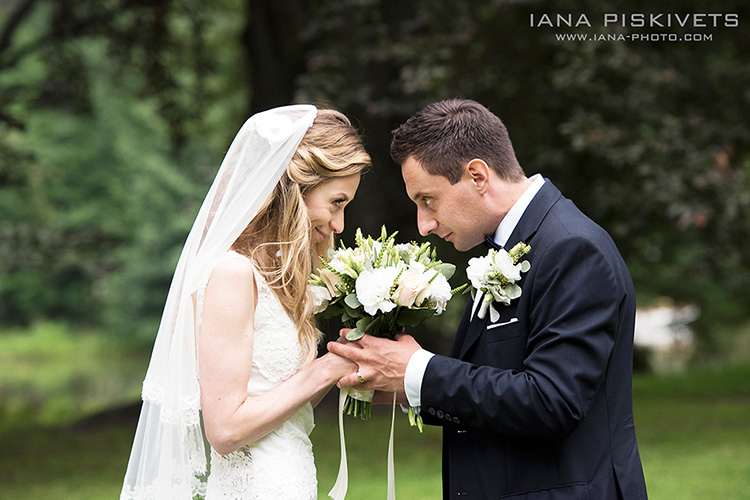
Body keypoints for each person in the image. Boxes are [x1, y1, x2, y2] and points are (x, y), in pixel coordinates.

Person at [329, 98, 648, 499]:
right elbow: (498, 380)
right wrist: (406, 387)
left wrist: (419, 372)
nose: (424, 225)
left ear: (478, 175)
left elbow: (553, 401)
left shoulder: (572, 248)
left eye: (428, 200)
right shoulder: (509, 247)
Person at [120, 104, 369, 500]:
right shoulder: (233, 273)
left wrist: (352, 353)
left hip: (292, 474)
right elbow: (225, 430)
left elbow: (284, 402)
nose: (339, 224)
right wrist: (325, 369)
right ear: (296, 189)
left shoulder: (278, 278)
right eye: (336, 203)